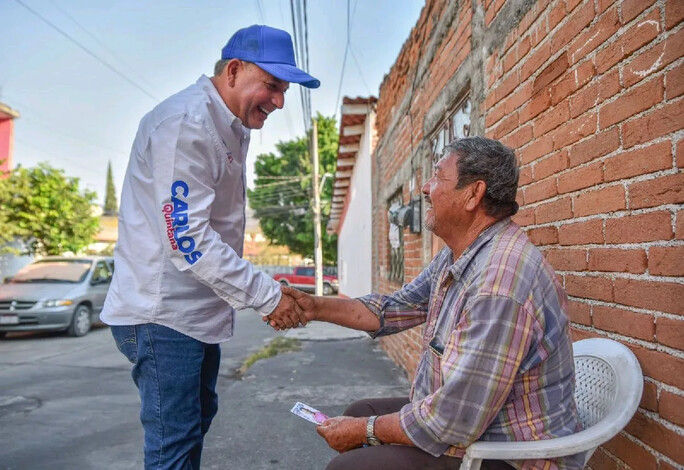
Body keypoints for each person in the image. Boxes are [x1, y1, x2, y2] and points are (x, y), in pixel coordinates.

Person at [272, 137, 583, 470]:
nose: (424, 187)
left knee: (349, 463)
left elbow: (454, 419)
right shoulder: (459, 253)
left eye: (438, 176)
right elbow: (392, 309)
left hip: (509, 454)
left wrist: (368, 432)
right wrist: (313, 307)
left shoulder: (500, 283)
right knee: (358, 412)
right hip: (476, 426)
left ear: (473, 194)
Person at [101, 24, 317, 469]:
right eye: (272, 86)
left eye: (285, 90)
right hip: (161, 314)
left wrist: (267, 292)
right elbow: (189, 239)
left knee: (195, 421)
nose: (279, 101)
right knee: (173, 445)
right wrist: (268, 296)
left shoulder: (230, 124)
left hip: (191, 314)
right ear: (234, 70)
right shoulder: (187, 124)